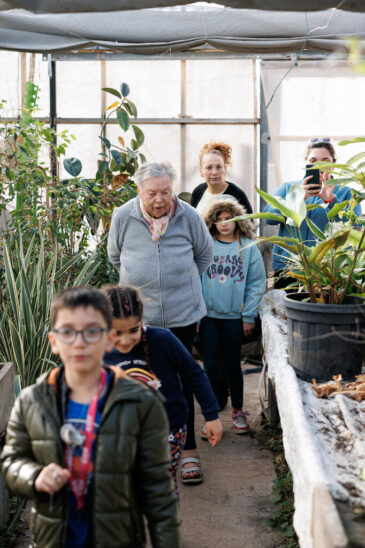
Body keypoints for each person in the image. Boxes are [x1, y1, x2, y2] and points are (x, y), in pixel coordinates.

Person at [0, 286, 180, 548]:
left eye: (92, 331)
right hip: (54, 537)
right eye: (68, 331)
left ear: (108, 339)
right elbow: (11, 462)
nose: (80, 342)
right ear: (53, 342)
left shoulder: (141, 403)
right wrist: (35, 475)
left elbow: (158, 491)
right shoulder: (31, 402)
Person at [107, 161, 214, 484]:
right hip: (140, 319)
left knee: (180, 378)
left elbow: (204, 256)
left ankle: (188, 451)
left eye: (165, 192)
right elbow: (114, 256)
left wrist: (180, 283)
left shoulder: (189, 216)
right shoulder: (123, 216)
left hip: (182, 314)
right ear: (139, 191)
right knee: (139, 378)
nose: (159, 199)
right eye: (152, 193)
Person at [102, 285, 222, 491]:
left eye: (133, 330)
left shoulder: (162, 340)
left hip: (169, 430)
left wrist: (211, 415)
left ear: (142, 321)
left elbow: (194, 374)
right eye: (116, 333)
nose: (125, 340)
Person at [200, 199, 266, 434]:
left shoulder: (248, 247)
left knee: (232, 366)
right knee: (210, 366)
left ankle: (238, 411)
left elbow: (256, 283)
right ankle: (211, 415)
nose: (223, 223)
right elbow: (194, 280)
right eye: (218, 219)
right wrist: (197, 315)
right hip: (208, 318)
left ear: (237, 220)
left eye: (228, 218)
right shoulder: (205, 246)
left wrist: (248, 315)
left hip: (234, 319)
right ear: (212, 222)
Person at [264, 137, 362, 288]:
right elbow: (269, 218)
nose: (319, 165)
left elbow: (354, 228)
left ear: (334, 164)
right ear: (306, 163)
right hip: (288, 268)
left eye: (325, 160)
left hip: (328, 270)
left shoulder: (346, 193)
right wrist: (298, 198)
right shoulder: (288, 187)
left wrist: (331, 202)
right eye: (313, 160)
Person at [191, 141, 253, 215]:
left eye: (219, 167)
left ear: (225, 169)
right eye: (209, 167)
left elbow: (248, 225)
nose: (214, 172)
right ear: (201, 171)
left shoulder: (237, 195)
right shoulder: (198, 191)